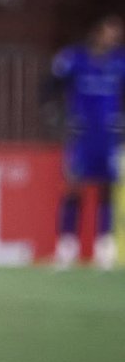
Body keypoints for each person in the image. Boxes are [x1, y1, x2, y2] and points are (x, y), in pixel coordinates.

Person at [46, 15, 125, 269]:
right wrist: (56, 115)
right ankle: (67, 247)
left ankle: (105, 248)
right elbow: (49, 87)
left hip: (110, 135)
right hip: (81, 133)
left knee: (107, 188)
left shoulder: (120, 61)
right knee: (73, 186)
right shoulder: (73, 58)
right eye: (111, 31)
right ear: (98, 31)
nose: (114, 37)